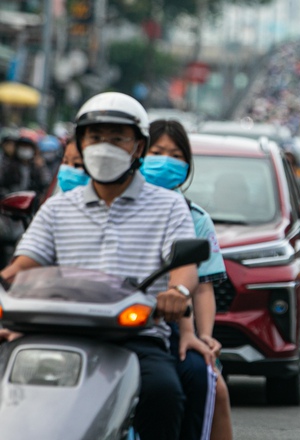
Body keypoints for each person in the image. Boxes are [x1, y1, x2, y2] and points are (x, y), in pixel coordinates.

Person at [0, 92, 209, 440]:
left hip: (135, 337)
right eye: (95, 138)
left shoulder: (170, 206)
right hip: (52, 333)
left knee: (163, 394)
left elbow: (184, 269)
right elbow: (22, 266)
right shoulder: (57, 209)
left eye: (117, 138)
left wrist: (178, 291)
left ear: (138, 147)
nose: (104, 147)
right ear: (80, 143)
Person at [143, 119, 233, 440]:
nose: (165, 160)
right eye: (157, 152)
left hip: (167, 325)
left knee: (209, 383)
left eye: (175, 154)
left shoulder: (193, 218)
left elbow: (201, 285)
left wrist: (202, 335)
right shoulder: (104, 206)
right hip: (113, 322)